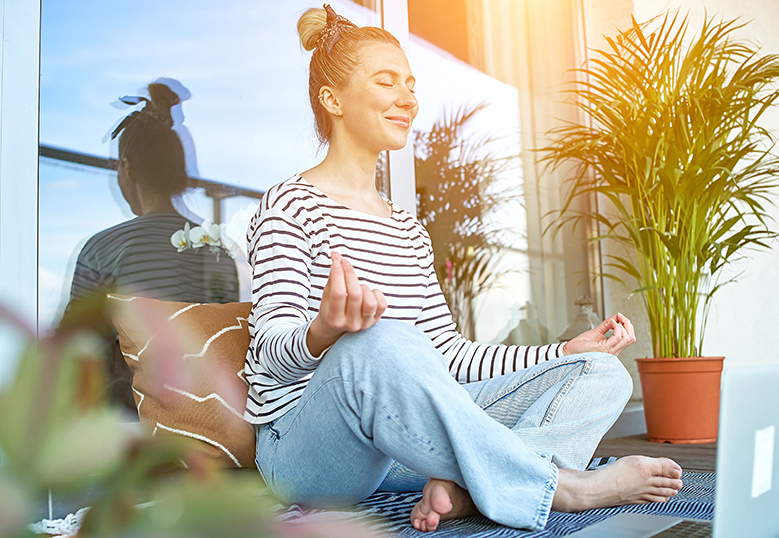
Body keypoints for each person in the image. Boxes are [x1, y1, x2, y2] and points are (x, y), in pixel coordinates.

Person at [244, 5, 683, 532]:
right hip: (311, 453)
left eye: (411, 83)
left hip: (407, 442)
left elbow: (448, 357)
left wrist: (563, 351)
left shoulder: (407, 228)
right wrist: (324, 333)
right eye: (387, 82)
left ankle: (472, 489)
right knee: (375, 343)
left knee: (601, 373)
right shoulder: (290, 205)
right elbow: (268, 354)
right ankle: (557, 486)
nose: (408, 98)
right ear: (331, 99)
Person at [62, 82, 240, 412]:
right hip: (208, 420)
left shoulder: (102, 250)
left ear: (128, 170)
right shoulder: (217, 251)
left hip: (129, 426)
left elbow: (72, 355)